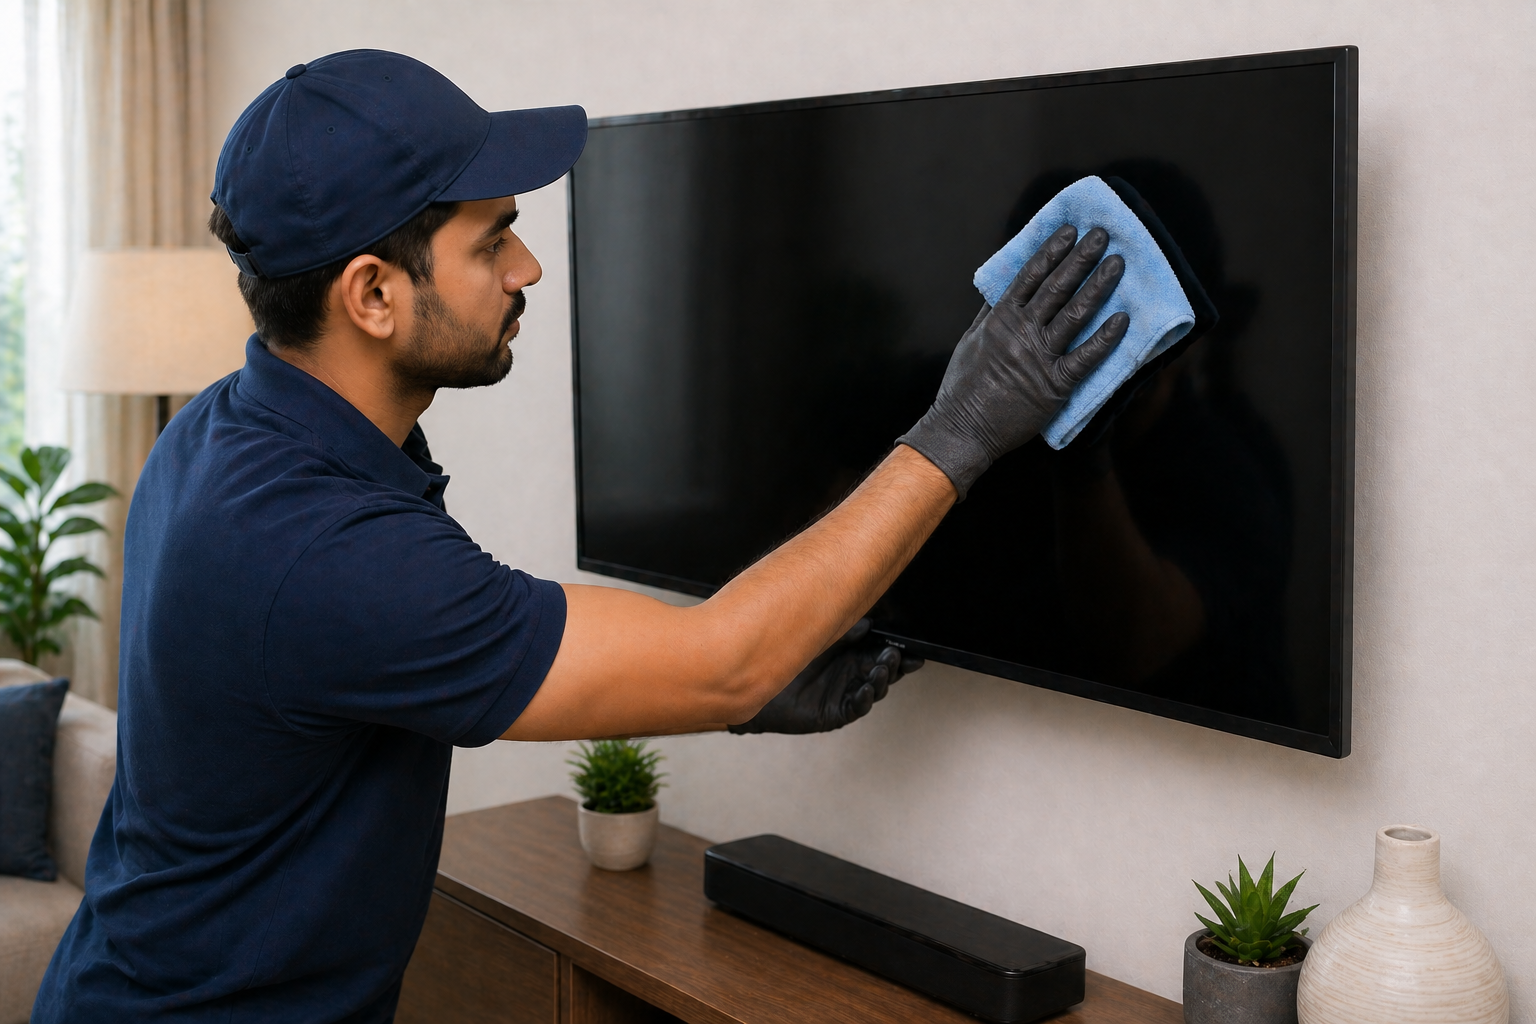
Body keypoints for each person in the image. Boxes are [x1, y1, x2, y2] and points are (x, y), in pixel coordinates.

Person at [33, 49, 1127, 1023]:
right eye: (492, 239)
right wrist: (969, 420)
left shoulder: (233, 426)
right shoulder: (314, 544)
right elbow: (720, 658)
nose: (528, 270)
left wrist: (739, 698)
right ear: (371, 293)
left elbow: (411, 669)